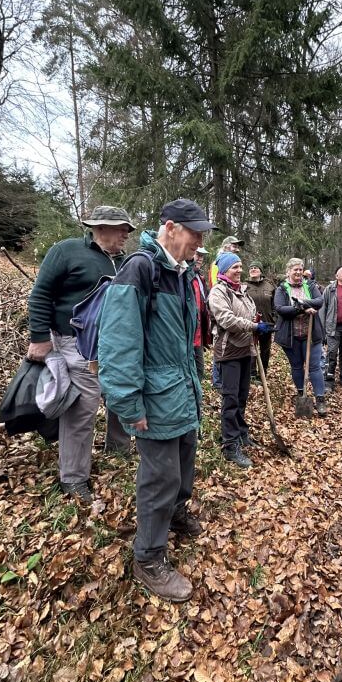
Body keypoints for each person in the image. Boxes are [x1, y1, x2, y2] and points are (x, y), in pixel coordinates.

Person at [98, 198, 216, 602]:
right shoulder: (141, 269)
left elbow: (185, 342)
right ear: (170, 228)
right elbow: (117, 342)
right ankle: (148, 557)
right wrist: (129, 404)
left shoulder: (182, 273)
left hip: (180, 392)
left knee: (183, 465)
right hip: (154, 397)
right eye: (194, 232)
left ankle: (176, 514)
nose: (200, 241)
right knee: (159, 477)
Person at [27, 206, 134, 503]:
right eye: (121, 228)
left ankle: (118, 447)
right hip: (74, 345)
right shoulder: (67, 251)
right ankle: (73, 478)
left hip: (114, 346)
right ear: (99, 227)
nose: (127, 233)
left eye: (128, 228)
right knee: (83, 409)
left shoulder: (124, 262)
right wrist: (39, 338)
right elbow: (40, 295)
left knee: (120, 394)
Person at [208, 252, 272, 468]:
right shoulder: (218, 292)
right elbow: (225, 319)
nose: (239, 270)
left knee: (242, 397)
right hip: (228, 353)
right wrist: (252, 326)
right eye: (235, 267)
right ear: (225, 270)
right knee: (231, 398)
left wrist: (257, 323)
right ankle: (229, 444)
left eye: (240, 266)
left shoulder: (242, 291)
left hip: (246, 350)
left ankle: (241, 433)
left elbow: (250, 314)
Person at [274, 258, 327, 416]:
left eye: (300, 269)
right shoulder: (282, 289)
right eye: (294, 269)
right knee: (297, 366)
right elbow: (280, 308)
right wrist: (303, 308)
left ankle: (320, 399)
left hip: (311, 334)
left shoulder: (310, 285)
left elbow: (319, 301)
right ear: (288, 271)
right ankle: (301, 393)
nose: (298, 272)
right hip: (291, 336)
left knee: (314, 367)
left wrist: (300, 303)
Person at [208, 235, 245, 388]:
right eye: (233, 245)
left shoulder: (235, 263)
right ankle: (217, 381)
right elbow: (218, 284)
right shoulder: (218, 263)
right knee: (221, 341)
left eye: (237, 246)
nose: (236, 248)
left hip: (231, 305)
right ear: (225, 246)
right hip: (220, 306)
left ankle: (224, 378)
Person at [246, 260, 276, 379]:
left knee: (265, 350)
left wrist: (274, 319)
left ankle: (263, 372)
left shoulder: (270, 286)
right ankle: (252, 373)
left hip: (267, 323)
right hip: (251, 323)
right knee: (251, 349)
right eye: (251, 268)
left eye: (256, 268)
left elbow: (275, 305)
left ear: (261, 271)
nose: (253, 269)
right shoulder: (244, 286)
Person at [192, 247, 211, 381]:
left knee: (199, 371)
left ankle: (196, 400)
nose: (200, 258)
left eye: (202, 256)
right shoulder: (182, 275)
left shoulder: (200, 278)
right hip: (187, 334)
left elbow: (203, 306)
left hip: (199, 334)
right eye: (197, 254)